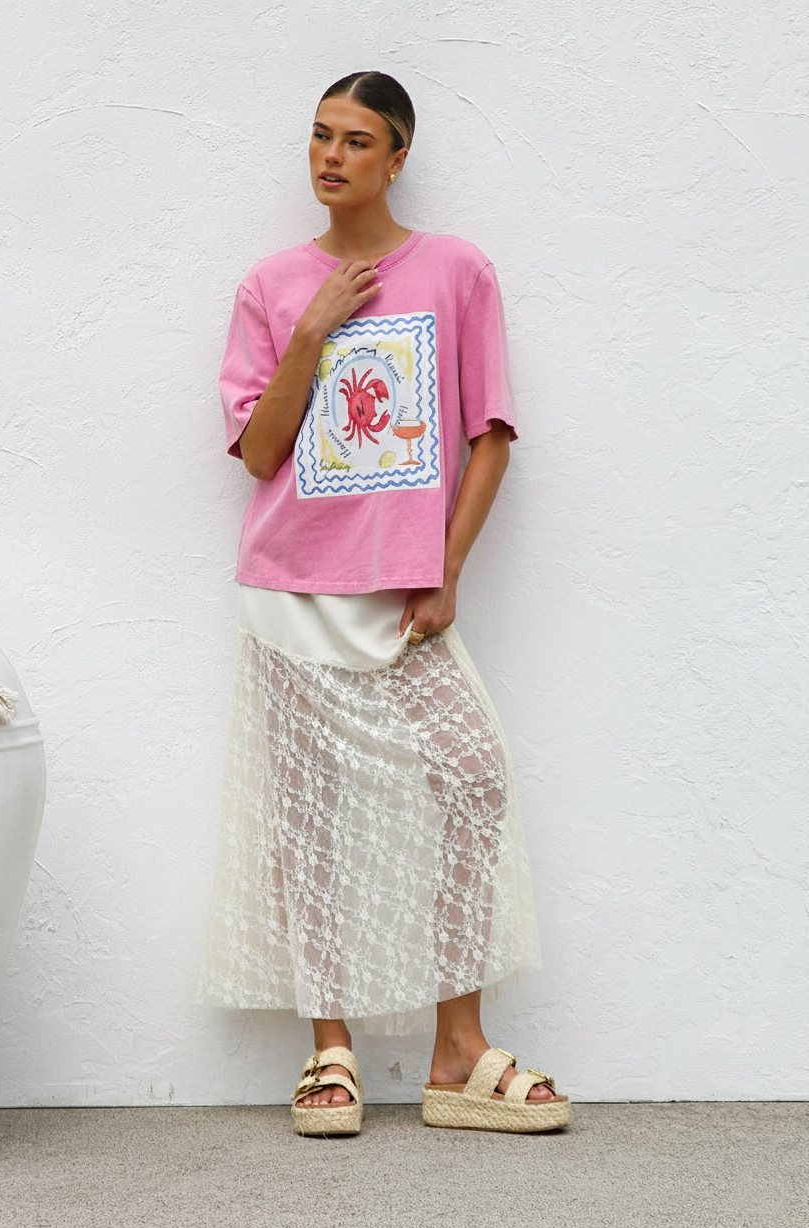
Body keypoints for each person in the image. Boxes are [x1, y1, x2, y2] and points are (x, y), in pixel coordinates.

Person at [195, 70, 571, 1136]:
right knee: (308, 817)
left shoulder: (454, 271)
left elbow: (489, 435)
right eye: (320, 135)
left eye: (358, 140)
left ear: (398, 158)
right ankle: (331, 1050)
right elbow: (260, 453)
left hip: (404, 597)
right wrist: (311, 330)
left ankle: (458, 1051)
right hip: (293, 590)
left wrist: (446, 571)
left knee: (472, 776)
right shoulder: (273, 285)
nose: (331, 156)